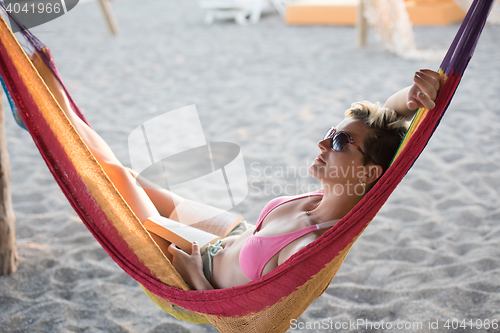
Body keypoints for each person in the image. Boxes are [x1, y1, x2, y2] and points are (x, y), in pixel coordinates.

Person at [31, 51, 441, 290]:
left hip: (202, 266)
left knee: (115, 179)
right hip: (234, 235)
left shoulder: (310, 248)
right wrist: (412, 97)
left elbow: (275, 305)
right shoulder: (330, 194)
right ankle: (56, 109)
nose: (322, 143)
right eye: (329, 132)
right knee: (133, 178)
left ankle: (51, 112)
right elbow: (385, 123)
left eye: (338, 142)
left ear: (369, 173)